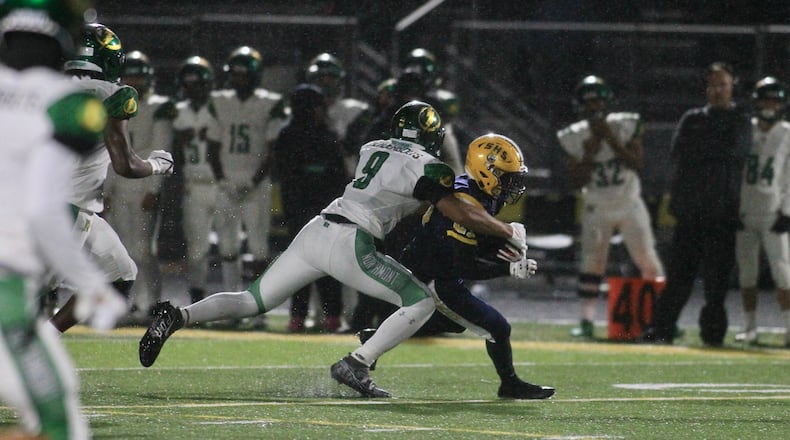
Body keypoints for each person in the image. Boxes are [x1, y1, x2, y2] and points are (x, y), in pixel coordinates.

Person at [139, 101, 528, 398]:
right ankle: (357, 363)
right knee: (421, 300)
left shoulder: (372, 146)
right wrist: (507, 229)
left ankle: (177, 316)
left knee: (250, 300)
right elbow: (456, 208)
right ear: (433, 136)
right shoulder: (430, 166)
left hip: (317, 229)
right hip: (351, 241)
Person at [0, 1, 128, 438]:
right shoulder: (68, 105)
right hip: (7, 279)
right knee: (61, 424)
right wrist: (90, 284)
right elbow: (41, 207)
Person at [375, 133, 555, 399]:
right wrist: (506, 269)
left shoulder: (481, 193)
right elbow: (462, 266)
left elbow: (475, 244)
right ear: (487, 171)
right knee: (498, 327)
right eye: (507, 177)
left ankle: (377, 336)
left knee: (456, 323)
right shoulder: (465, 201)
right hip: (432, 275)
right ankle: (509, 384)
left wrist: (503, 251)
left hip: (434, 266)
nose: (512, 184)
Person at [48, 23, 174, 333]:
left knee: (119, 274)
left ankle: (46, 338)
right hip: (64, 208)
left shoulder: (41, 86)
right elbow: (126, 164)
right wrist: (158, 165)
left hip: (37, 201)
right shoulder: (112, 94)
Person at [641, 62, 751, 346]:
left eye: (723, 85)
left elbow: (736, 151)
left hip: (724, 212)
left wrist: (704, 149)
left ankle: (712, 334)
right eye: (713, 85)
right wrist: (714, 150)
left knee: (717, 282)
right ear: (706, 88)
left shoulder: (740, 119)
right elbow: (679, 152)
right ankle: (661, 329)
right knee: (679, 275)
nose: (717, 90)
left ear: (732, 87)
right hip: (691, 211)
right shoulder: (692, 118)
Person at [556, 75, 665, 338]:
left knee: (648, 260)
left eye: (597, 101)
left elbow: (638, 164)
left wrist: (612, 141)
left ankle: (663, 318)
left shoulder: (624, 125)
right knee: (591, 264)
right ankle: (586, 320)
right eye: (588, 102)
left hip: (629, 202)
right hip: (597, 205)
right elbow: (575, 180)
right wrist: (590, 152)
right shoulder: (575, 135)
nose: (593, 107)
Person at [208, 46, 287, 297]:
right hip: (226, 181)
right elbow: (212, 145)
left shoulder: (271, 103)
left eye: (243, 74)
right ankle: (232, 301)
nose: (238, 79)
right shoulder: (219, 101)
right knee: (227, 246)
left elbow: (274, 150)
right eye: (236, 74)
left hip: (257, 183)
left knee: (258, 248)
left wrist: (254, 181)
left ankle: (257, 304)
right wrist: (222, 179)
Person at [104, 50, 175, 323]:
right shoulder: (115, 102)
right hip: (118, 184)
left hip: (143, 183)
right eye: (131, 74)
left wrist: (154, 189)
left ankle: (152, 302)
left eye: (139, 75)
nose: (135, 80)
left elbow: (162, 149)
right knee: (120, 250)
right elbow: (109, 150)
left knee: (142, 249)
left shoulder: (159, 106)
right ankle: (128, 304)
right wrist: (106, 189)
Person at [272, 84, 348, 333]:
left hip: (301, 207)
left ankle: (300, 316)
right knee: (326, 263)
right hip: (320, 208)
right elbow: (338, 176)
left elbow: (282, 174)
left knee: (302, 264)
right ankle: (329, 315)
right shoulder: (324, 135)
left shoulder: (289, 135)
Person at [734, 76, 790, 347]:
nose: (770, 104)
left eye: (774, 99)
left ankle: (789, 328)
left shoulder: (787, 132)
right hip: (745, 211)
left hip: (772, 213)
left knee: (784, 274)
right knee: (747, 274)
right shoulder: (745, 129)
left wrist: (787, 212)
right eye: (766, 99)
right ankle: (750, 327)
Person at [170, 55, 220, 305]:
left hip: (222, 184)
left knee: (231, 249)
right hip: (194, 184)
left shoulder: (222, 106)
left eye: (198, 84)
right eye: (189, 84)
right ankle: (197, 298)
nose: (194, 89)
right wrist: (180, 139)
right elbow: (174, 156)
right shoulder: (177, 112)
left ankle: (235, 302)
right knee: (197, 250)